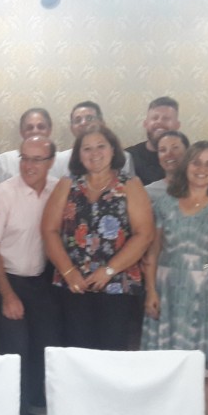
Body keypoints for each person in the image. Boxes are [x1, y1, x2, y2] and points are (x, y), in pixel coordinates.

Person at [140, 141, 208, 415]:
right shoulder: (166, 202)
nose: (202, 169)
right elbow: (154, 250)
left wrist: (204, 272)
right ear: (186, 166)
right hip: (167, 293)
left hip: (206, 296)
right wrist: (150, 290)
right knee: (165, 368)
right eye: (196, 162)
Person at [42, 125, 153, 351]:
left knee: (111, 354)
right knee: (76, 353)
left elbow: (144, 234)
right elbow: (48, 230)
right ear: (78, 154)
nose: (94, 153)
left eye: (101, 146)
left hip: (117, 285)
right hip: (73, 285)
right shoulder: (67, 184)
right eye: (87, 148)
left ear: (112, 150)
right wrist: (69, 272)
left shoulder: (130, 185)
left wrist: (109, 271)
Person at [0, 135, 60, 415]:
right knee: (15, 354)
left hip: (41, 282)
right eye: (24, 158)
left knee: (38, 351)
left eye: (37, 159)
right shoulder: (4, 193)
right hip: (6, 280)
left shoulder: (58, 190)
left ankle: (25, 409)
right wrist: (7, 295)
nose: (29, 165)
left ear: (51, 162)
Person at [56, 101, 136, 179]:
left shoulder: (125, 157)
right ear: (71, 128)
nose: (83, 123)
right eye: (78, 120)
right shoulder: (59, 159)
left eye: (89, 118)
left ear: (102, 123)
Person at [0, 108, 66, 184]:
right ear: (21, 132)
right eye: (29, 128)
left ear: (49, 130)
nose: (35, 131)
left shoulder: (60, 161)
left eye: (41, 127)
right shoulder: (5, 161)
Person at [126, 96, 181, 185]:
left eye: (166, 118)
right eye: (155, 118)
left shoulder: (188, 158)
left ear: (177, 125)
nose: (159, 122)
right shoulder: (127, 157)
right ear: (145, 124)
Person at [143, 130, 190, 202]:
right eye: (162, 150)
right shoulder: (147, 193)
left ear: (188, 152)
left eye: (175, 148)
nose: (168, 154)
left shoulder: (203, 187)